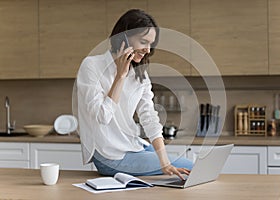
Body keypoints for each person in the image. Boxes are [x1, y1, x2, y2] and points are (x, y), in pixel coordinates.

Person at [76, 9, 193, 180]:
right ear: (123, 36)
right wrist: (120, 76)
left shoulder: (140, 74)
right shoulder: (92, 66)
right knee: (191, 167)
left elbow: (149, 117)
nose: (147, 49)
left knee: (179, 167)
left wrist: (164, 161)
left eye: (151, 44)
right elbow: (102, 117)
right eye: (143, 41)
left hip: (133, 145)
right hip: (109, 156)